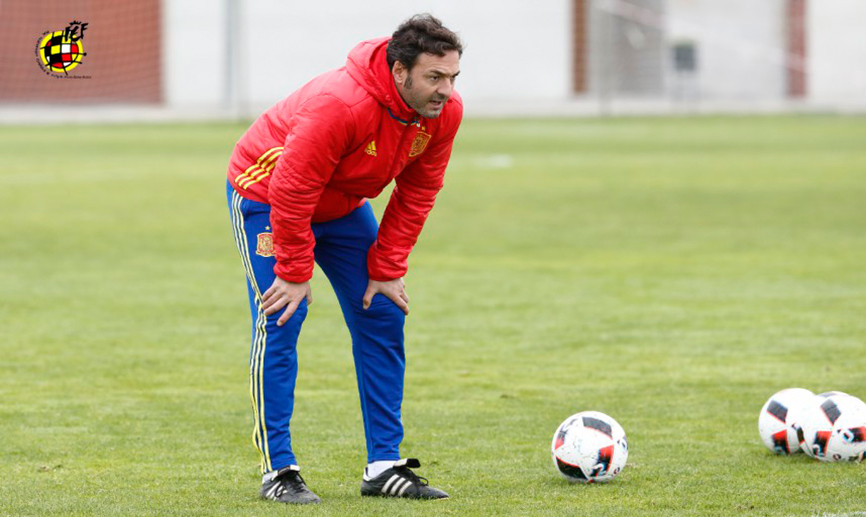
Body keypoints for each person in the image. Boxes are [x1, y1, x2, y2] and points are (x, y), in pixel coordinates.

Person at [225, 14, 463, 504]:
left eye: (453, 77)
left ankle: (384, 466)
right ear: (400, 72)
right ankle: (279, 469)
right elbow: (292, 188)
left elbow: (418, 191)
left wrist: (387, 267)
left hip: (342, 204)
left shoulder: (444, 113)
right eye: (434, 77)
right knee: (282, 317)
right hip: (267, 195)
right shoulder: (340, 104)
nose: (446, 90)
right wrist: (294, 272)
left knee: (382, 311)